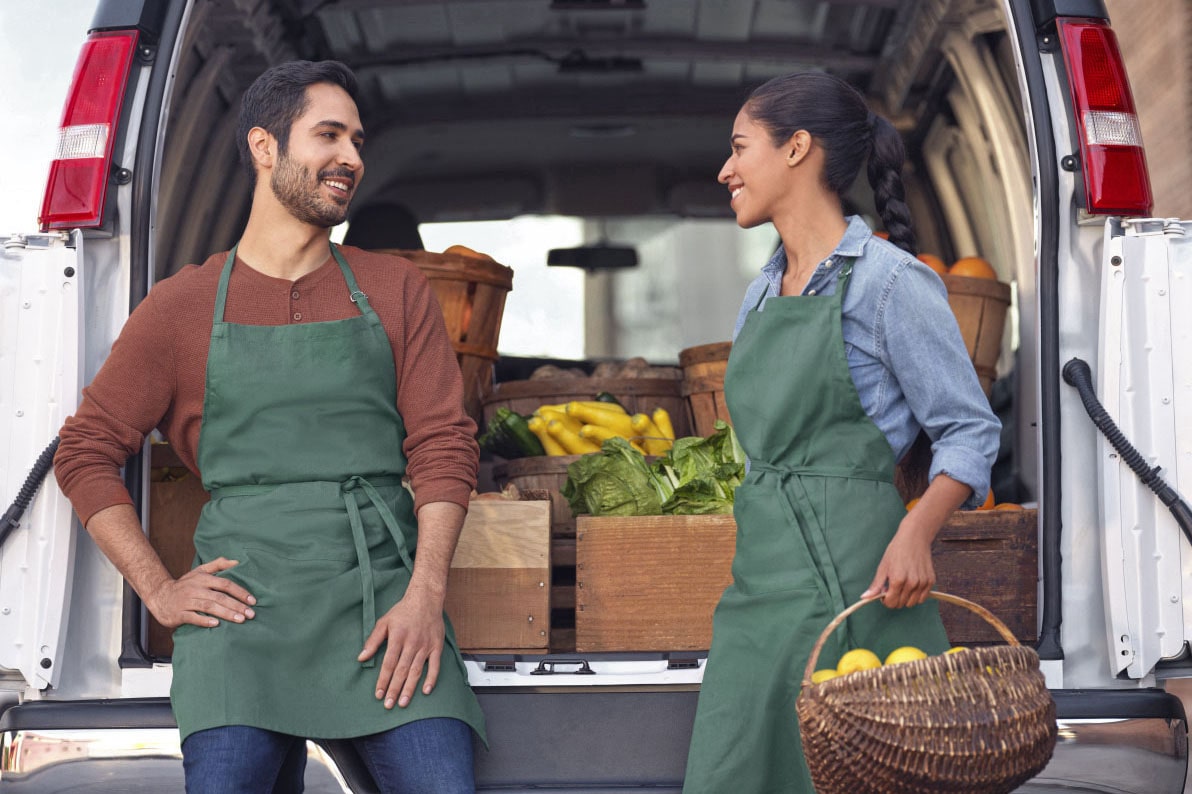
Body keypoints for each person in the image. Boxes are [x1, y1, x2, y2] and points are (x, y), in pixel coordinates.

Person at [53, 60, 484, 793]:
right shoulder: (180, 307)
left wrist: (425, 597)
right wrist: (159, 590)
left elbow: (444, 446)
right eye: (328, 135)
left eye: (356, 140)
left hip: (383, 609)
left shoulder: (395, 288)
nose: (351, 156)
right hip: (240, 627)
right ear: (264, 147)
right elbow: (85, 451)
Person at [682, 72, 1001, 792]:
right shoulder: (761, 294)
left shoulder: (890, 283)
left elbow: (969, 430)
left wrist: (917, 531)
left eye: (739, 148)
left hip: (860, 592)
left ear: (798, 149)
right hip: (758, 596)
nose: (725, 170)